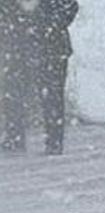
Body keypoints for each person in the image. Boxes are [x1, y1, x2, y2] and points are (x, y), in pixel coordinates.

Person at [0, 0, 78, 155]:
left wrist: (48, 26)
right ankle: (14, 136)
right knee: (13, 93)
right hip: (17, 47)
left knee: (52, 96)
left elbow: (70, 7)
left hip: (51, 48)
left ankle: (53, 141)